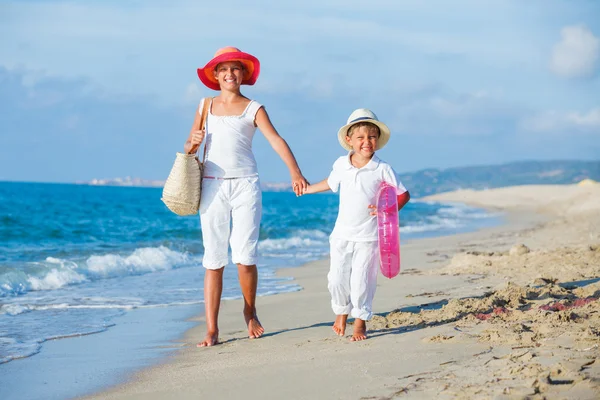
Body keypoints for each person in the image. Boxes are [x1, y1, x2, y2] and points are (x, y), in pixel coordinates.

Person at [185, 47, 308, 347]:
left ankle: (249, 310)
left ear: (244, 74)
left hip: (245, 185)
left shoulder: (254, 108)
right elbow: (189, 148)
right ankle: (212, 329)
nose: (230, 74)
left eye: (235, 69)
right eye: (223, 69)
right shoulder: (204, 106)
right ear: (215, 75)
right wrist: (192, 143)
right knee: (213, 259)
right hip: (212, 187)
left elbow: (276, 140)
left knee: (244, 256)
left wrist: (295, 172)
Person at [301, 108, 410, 341]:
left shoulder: (382, 168)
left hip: (369, 236)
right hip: (341, 233)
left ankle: (360, 321)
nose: (366, 142)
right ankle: (341, 312)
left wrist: (386, 210)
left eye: (371, 137)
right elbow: (330, 183)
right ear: (349, 140)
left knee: (362, 279)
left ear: (377, 140)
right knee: (336, 278)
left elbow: (403, 194)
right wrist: (308, 189)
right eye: (360, 137)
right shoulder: (341, 164)